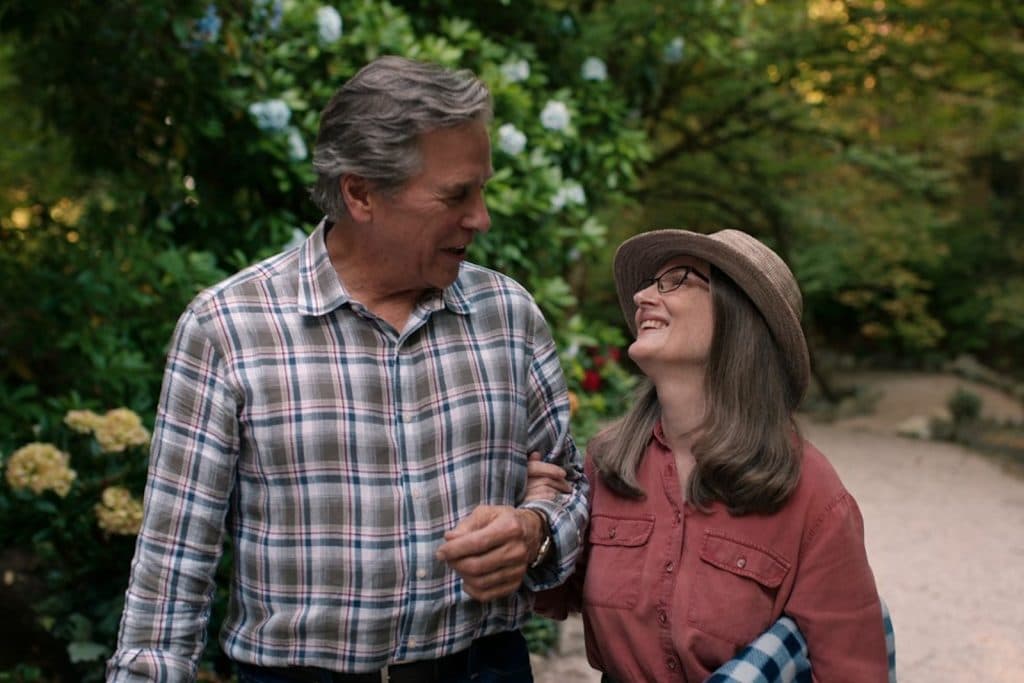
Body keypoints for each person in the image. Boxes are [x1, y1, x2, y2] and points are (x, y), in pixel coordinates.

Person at [107, 56, 588, 683]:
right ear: (361, 192)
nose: (481, 217)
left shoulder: (509, 314)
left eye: (482, 188)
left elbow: (572, 485)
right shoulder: (228, 328)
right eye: (456, 195)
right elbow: (171, 570)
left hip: (483, 668)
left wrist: (535, 533)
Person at [528, 229, 889, 681]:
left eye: (676, 279)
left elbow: (856, 672)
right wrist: (537, 520)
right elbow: (554, 592)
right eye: (649, 283)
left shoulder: (813, 495)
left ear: (739, 315)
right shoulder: (609, 461)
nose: (641, 296)